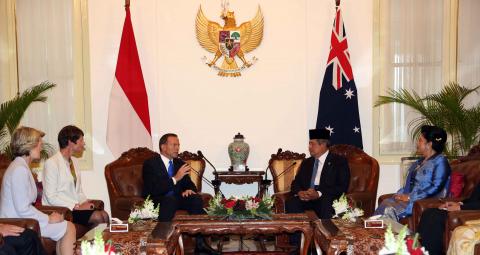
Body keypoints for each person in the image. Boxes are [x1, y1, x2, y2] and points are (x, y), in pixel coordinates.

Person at [0, 127, 76, 255]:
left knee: (67, 226)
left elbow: (25, 206)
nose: (41, 147)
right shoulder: (19, 170)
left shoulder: (21, 166)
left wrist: (48, 218)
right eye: (39, 143)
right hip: (19, 222)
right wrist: (48, 218)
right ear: (29, 146)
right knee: (69, 227)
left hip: (23, 218)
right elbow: (23, 209)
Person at [142, 133, 219, 255]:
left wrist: (189, 189)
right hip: (158, 198)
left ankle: (200, 245)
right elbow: (154, 189)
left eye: (178, 145)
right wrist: (175, 179)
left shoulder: (179, 163)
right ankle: (162, 243)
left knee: (195, 199)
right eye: (174, 145)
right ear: (163, 147)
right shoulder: (150, 164)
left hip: (177, 198)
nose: (177, 148)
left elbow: (190, 184)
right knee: (170, 200)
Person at [374, 125, 451, 221]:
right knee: (386, 202)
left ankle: (383, 233)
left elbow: (436, 187)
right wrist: (400, 194)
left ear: (429, 144)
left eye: (420, 140)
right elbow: (410, 185)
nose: (417, 143)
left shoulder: (440, 161)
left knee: (389, 210)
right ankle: (372, 230)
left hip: (425, 200)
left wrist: (410, 197)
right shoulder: (419, 162)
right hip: (412, 198)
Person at [42, 125, 109, 228]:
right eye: (81, 140)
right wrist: (76, 206)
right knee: (97, 217)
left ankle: (102, 244)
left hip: (74, 209)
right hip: (61, 210)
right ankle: (97, 244)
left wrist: (86, 203)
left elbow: (78, 192)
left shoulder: (75, 162)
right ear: (70, 142)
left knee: (104, 214)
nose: (84, 143)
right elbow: (51, 197)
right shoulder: (51, 163)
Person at [285, 128, 351, 219]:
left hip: (326, 198)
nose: (309, 147)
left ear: (323, 144)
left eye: (312, 144)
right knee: (291, 202)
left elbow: (342, 186)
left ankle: (325, 233)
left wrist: (318, 193)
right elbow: (296, 183)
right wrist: (300, 192)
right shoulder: (306, 162)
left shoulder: (338, 161)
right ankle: (298, 233)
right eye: (309, 144)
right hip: (307, 199)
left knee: (326, 202)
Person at [418, 183, 480, 255]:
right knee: (429, 213)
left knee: (436, 217)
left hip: (473, 215)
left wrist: (461, 207)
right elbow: (473, 200)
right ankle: (419, 252)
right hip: (468, 208)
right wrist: (459, 203)